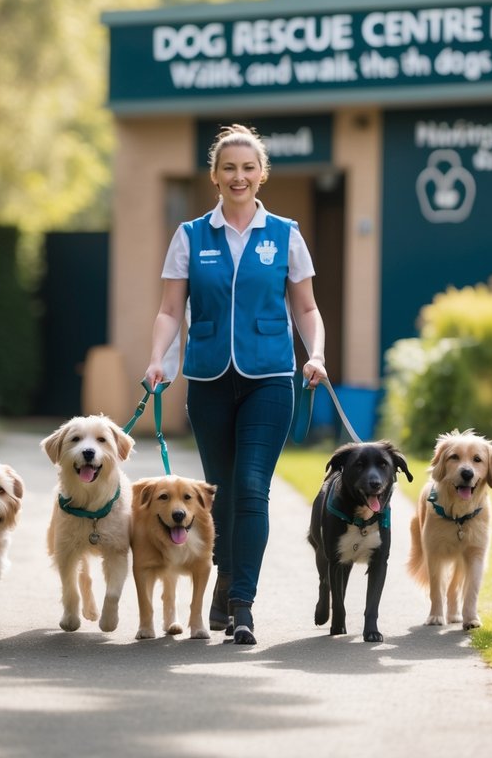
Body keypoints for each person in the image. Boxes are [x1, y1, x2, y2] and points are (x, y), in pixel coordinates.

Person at [144, 123, 327, 645]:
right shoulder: (190, 236)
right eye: (229, 168)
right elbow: (168, 309)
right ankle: (223, 581)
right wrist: (158, 359)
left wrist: (315, 354)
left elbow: (307, 307)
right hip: (207, 380)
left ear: (262, 175)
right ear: (215, 177)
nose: (239, 176)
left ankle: (241, 602)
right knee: (215, 496)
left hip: (269, 377)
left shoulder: (286, 234)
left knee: (251, 488)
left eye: (248, 168)